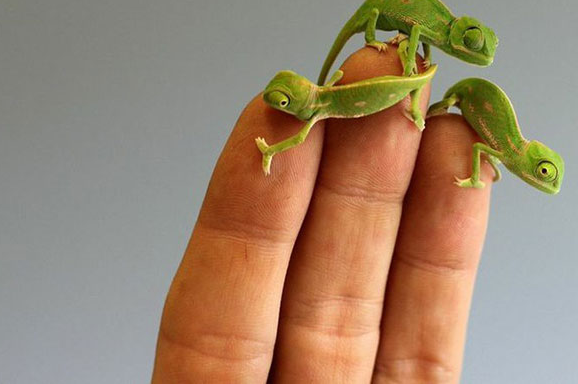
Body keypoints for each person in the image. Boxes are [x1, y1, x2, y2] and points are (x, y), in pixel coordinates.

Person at [151, 46, 495, 383]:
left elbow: (296, 140)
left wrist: (270, 151)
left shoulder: (316, 110)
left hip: (388, 101)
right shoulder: (324, 94)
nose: (277, 106)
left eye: (285, 102)